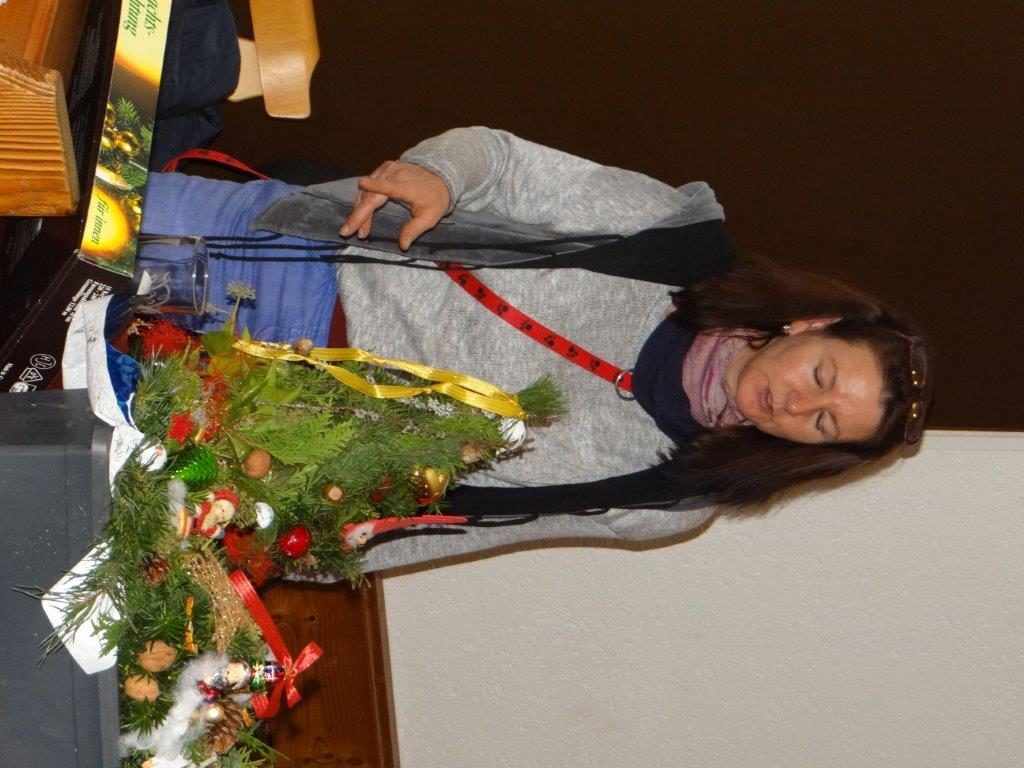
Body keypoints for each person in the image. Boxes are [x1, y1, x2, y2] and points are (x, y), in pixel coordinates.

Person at [140, 126, 932, 572]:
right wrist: (439, 177)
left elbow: (460, 525)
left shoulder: (672, 500)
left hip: (259, 435)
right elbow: (503, 161)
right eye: (822, 375)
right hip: (292, 267)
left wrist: (295, 556)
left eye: (823, 423)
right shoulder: (674, 237)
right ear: (808, 325)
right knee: (69, 219)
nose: (796, 402)